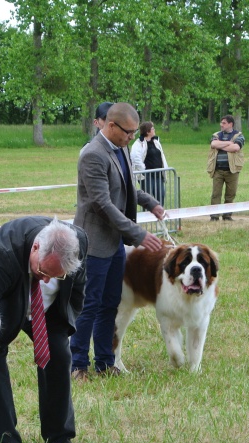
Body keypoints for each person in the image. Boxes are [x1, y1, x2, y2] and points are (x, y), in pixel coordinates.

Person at [0, 217, 87, 443]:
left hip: (46, 308)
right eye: (42, 272)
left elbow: (78, 291)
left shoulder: (79, 242)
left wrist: (62, 328)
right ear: (35, 248)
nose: (45, 280)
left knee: (60, 354)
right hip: (3, 300)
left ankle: (59, 439)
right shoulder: (6, 249)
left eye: (55, 276)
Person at [71, 102, 166, 380]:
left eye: (135, 133)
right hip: (94, 243)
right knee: (89, 305)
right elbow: (102, 203)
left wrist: (150, 203)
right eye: (128, 132)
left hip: (114, 245)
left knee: (110, 304)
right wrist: (138, 234)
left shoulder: (121, 147)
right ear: (110, 126)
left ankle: (104, 362)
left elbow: (126, 187)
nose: (131, 138)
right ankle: (77, 364)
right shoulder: (92, 155)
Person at [207, 115, 245, 221]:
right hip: (218, 170)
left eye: (224, 123)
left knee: (230, 194)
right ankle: (214, 216)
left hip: (232, 170)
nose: (221, 125)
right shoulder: (216, 135)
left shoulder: (239, 135)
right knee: (216, 194)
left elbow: (236, 147)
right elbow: (214, 144)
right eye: (221, 122)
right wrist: (228, 143)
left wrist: (221, 145)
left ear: (230, 124)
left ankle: (227, 216)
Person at [130, 121, 169, 206]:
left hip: (158, 175)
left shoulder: (156, 142)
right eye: (152, 128)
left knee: (161, 195)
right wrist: (143, 170)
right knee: (147, 198)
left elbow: (161, 156)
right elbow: (135, 158)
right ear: (147, 131)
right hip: (147, 176)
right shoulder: (138, 144)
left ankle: (160, 216)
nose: (154, 130)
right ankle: (146, 217)